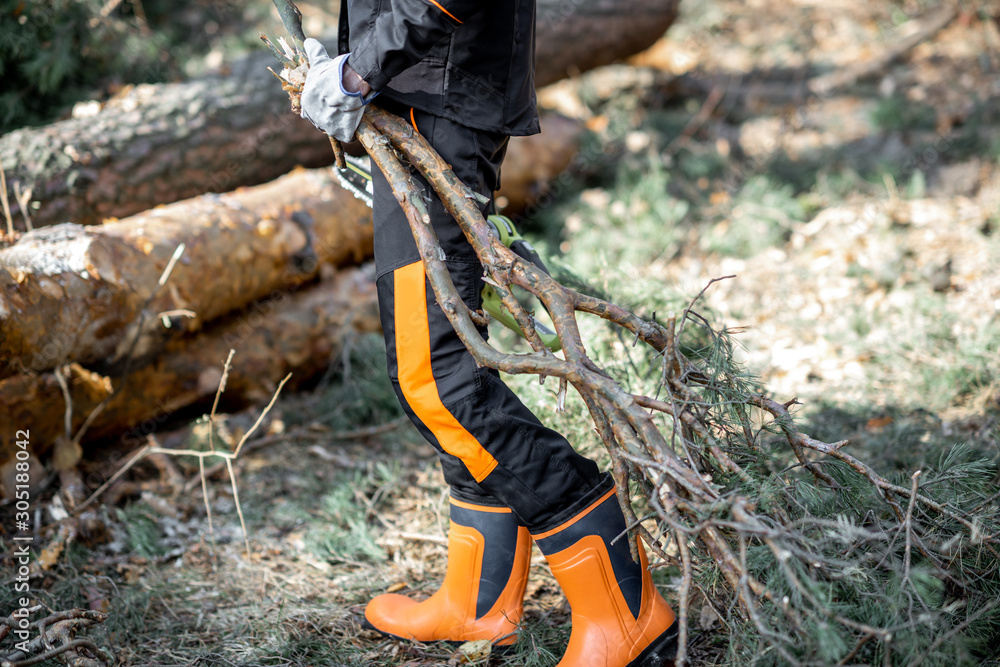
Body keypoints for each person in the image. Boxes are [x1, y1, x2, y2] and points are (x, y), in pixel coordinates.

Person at [298, 1, 678, 664]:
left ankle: (623, 609)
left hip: (436, 96)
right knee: (441, 371)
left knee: (437, 382)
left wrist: (362, 68)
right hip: (422, 90)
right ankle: (479, 600)